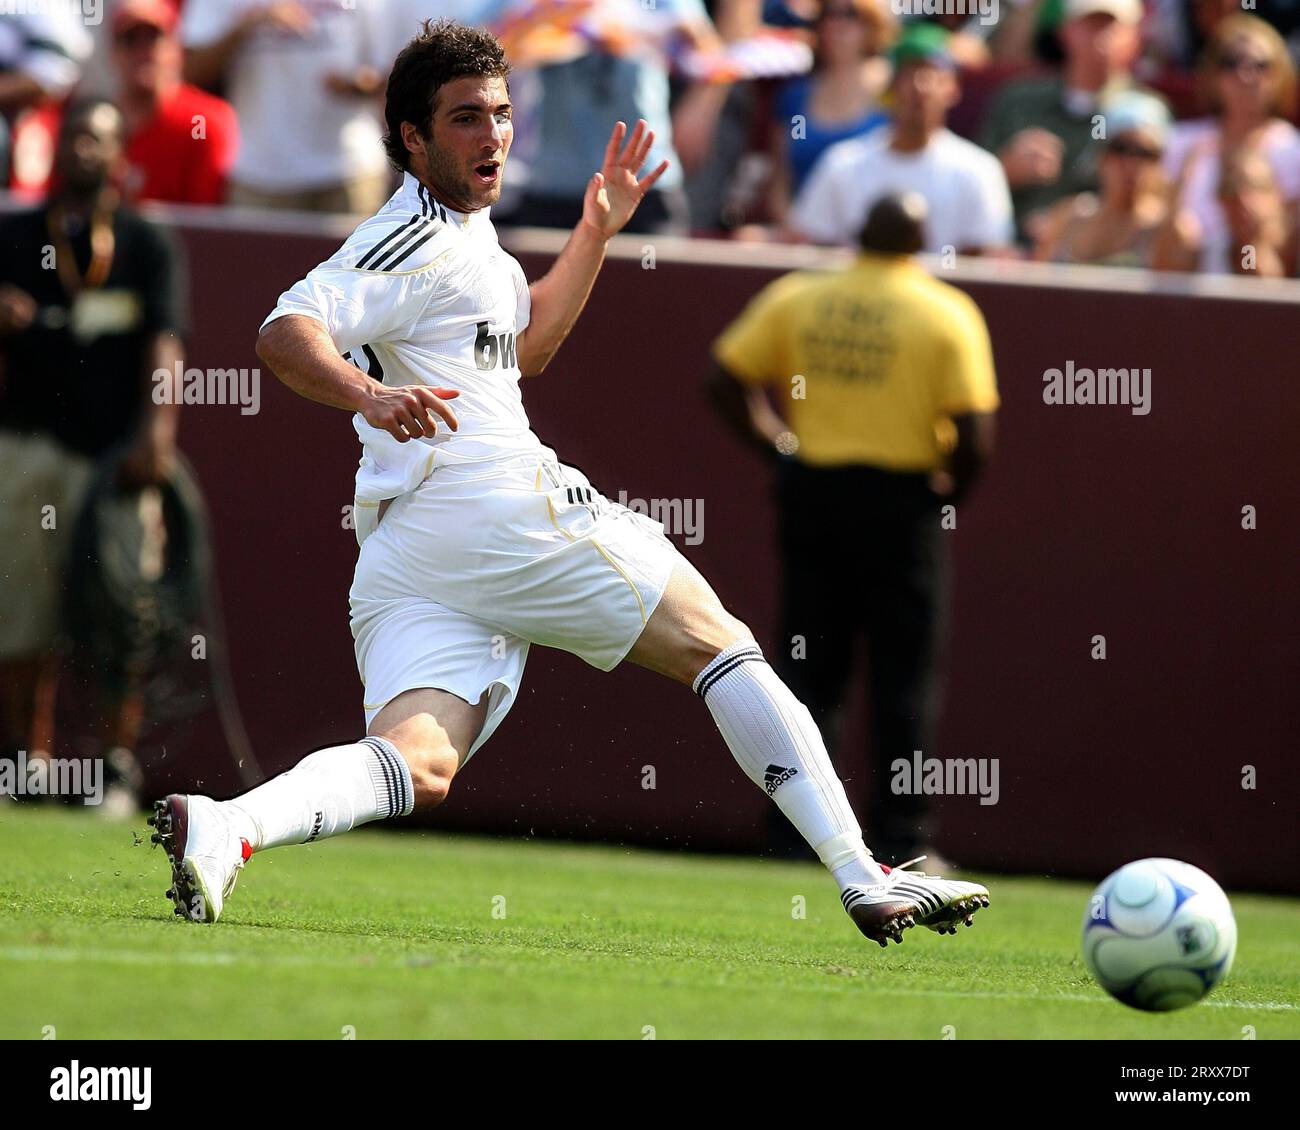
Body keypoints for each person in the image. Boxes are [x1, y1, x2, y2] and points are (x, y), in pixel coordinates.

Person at [151, 20, 989, 947]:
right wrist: (368, 391)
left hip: (413, 546)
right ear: (411, 138)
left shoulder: (469, 240)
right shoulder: (406, 238)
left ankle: (228, 827)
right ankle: (861, 872)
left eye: (503, 115)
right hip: (493, 500)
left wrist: (596, 227)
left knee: (418, 763)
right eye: (466, 118)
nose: (493, 136)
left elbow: (533, 346)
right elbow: (285, 328)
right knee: (718, 643)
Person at [710, 192, 999, 868]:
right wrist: (951, 489)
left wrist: (779, 445)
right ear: (922, 240)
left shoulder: (800, 296)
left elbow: (723, 376)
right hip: (902, 503)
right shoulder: (945, 311)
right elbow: (977, 433)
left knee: (810, 670)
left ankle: (797, 833)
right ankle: (905, 837)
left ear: (858, 231)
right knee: (906, 677)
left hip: (816, 492)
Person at [0, 99, 187, 807]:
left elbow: (166, 342)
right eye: (75, 135)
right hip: (25, 447)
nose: (85, 149)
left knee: (124, 606)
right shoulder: (15, 235)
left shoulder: (146, 242)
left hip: (114, 456)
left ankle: (112, 766)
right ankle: (26, 764)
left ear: (121, 157)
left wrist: (158, 434)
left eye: (100, 139)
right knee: (20, 611)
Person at [789, 22, 1012, 254]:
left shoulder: (980, 170)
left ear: (953, 88)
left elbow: (985, 259)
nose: (920, 87)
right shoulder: (842, 163)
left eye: (934, 75)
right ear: (892, 87)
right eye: (909, 74)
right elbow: (813, 245)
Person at [181, 0, 394, 214]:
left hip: (349, 169)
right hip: (259, 174)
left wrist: (355, 86)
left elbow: (389, 74)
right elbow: (190, 72)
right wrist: (247, 27)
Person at [980, 0, 1149, 244]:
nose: (1100, 38)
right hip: (1008, 253)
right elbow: (970, 185)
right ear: (1065, 30)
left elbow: (1153, 202)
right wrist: (1005, 169)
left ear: (1134, 37)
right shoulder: (1017, 101)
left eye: (1111, 26)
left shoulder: (1145, 113)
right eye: (1090, 25)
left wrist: (1067, 222)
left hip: (1097, 261)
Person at [1162, 14, 1300, 275]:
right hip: (1182, 290)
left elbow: (1289, 254)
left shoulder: (1294, 152)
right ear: (1212, 74)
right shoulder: (1180, 142)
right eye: (1231, 63)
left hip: (1264, 288)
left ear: (1280, 74)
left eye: (1260, 65)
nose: (1245, 75)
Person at [765, 0, 893, 226]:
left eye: (850, 14)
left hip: (875, 238)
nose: (836, 24)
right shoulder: (796, 102)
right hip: (804, 236)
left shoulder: (895, 94)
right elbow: (781, 179)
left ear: (874, 24)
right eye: (828, 14)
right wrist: (796, 229)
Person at [113, 0, 240, 205]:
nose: (143, 52)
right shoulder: (99, 121)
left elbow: (204, 218)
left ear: (176, 47)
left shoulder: (204, 121)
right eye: (131, 40)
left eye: (154, 38)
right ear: (114, 53)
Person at [1033, 91, 1174, 267]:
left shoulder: (1167, 234)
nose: (1131, 163)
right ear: (1101, 155)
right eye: (1120, 148)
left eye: (1145, 153)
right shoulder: (1066, 217)